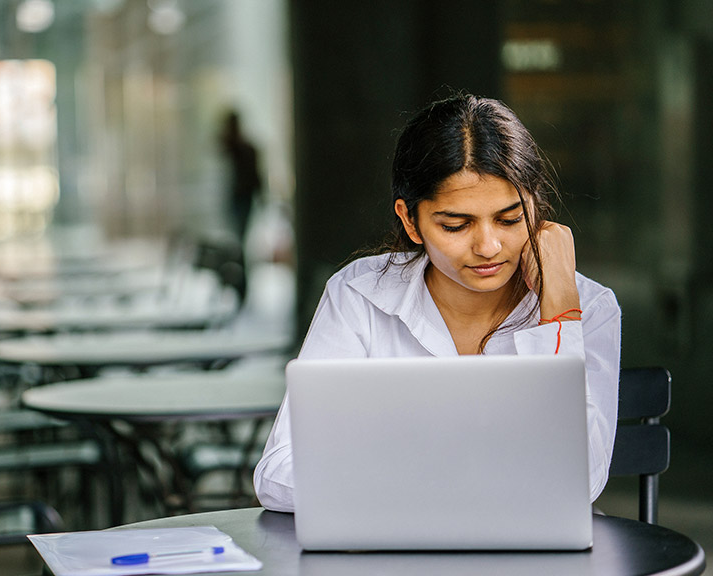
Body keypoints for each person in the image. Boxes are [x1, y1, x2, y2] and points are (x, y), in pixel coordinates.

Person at [253, 92, 621, 513]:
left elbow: (580, 478)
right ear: (410, 220)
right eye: (456, 224)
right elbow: (280, 473)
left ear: (536, 209)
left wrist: (559, 314)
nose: (488, 246)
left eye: (510, 219)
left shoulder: (587, 308)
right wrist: (466, 481)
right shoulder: (360, 297)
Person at [218, 109, 263, 244]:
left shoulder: (245, 149)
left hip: (242, 193)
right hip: (239, 194)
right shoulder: (242, 148)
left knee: (239, 232)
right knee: (238, 232)